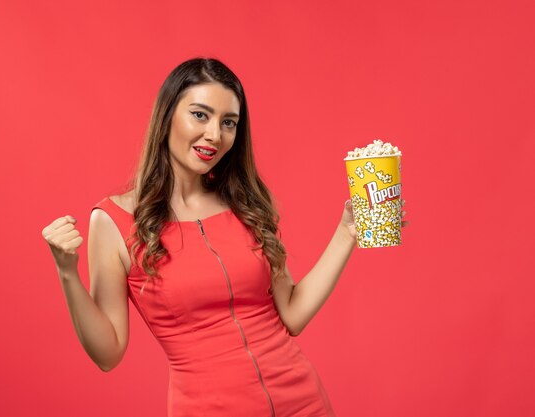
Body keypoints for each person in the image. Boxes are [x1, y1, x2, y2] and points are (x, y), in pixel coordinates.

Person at [41, 57, 407, 417]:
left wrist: (347, 232)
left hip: (304, 402)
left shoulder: (245, 205)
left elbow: (292, 314)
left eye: (228, 122)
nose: (215, 135)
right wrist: (68, 273)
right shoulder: (115, 221)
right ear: (168, 115)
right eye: (200, 115)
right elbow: (108, 354)